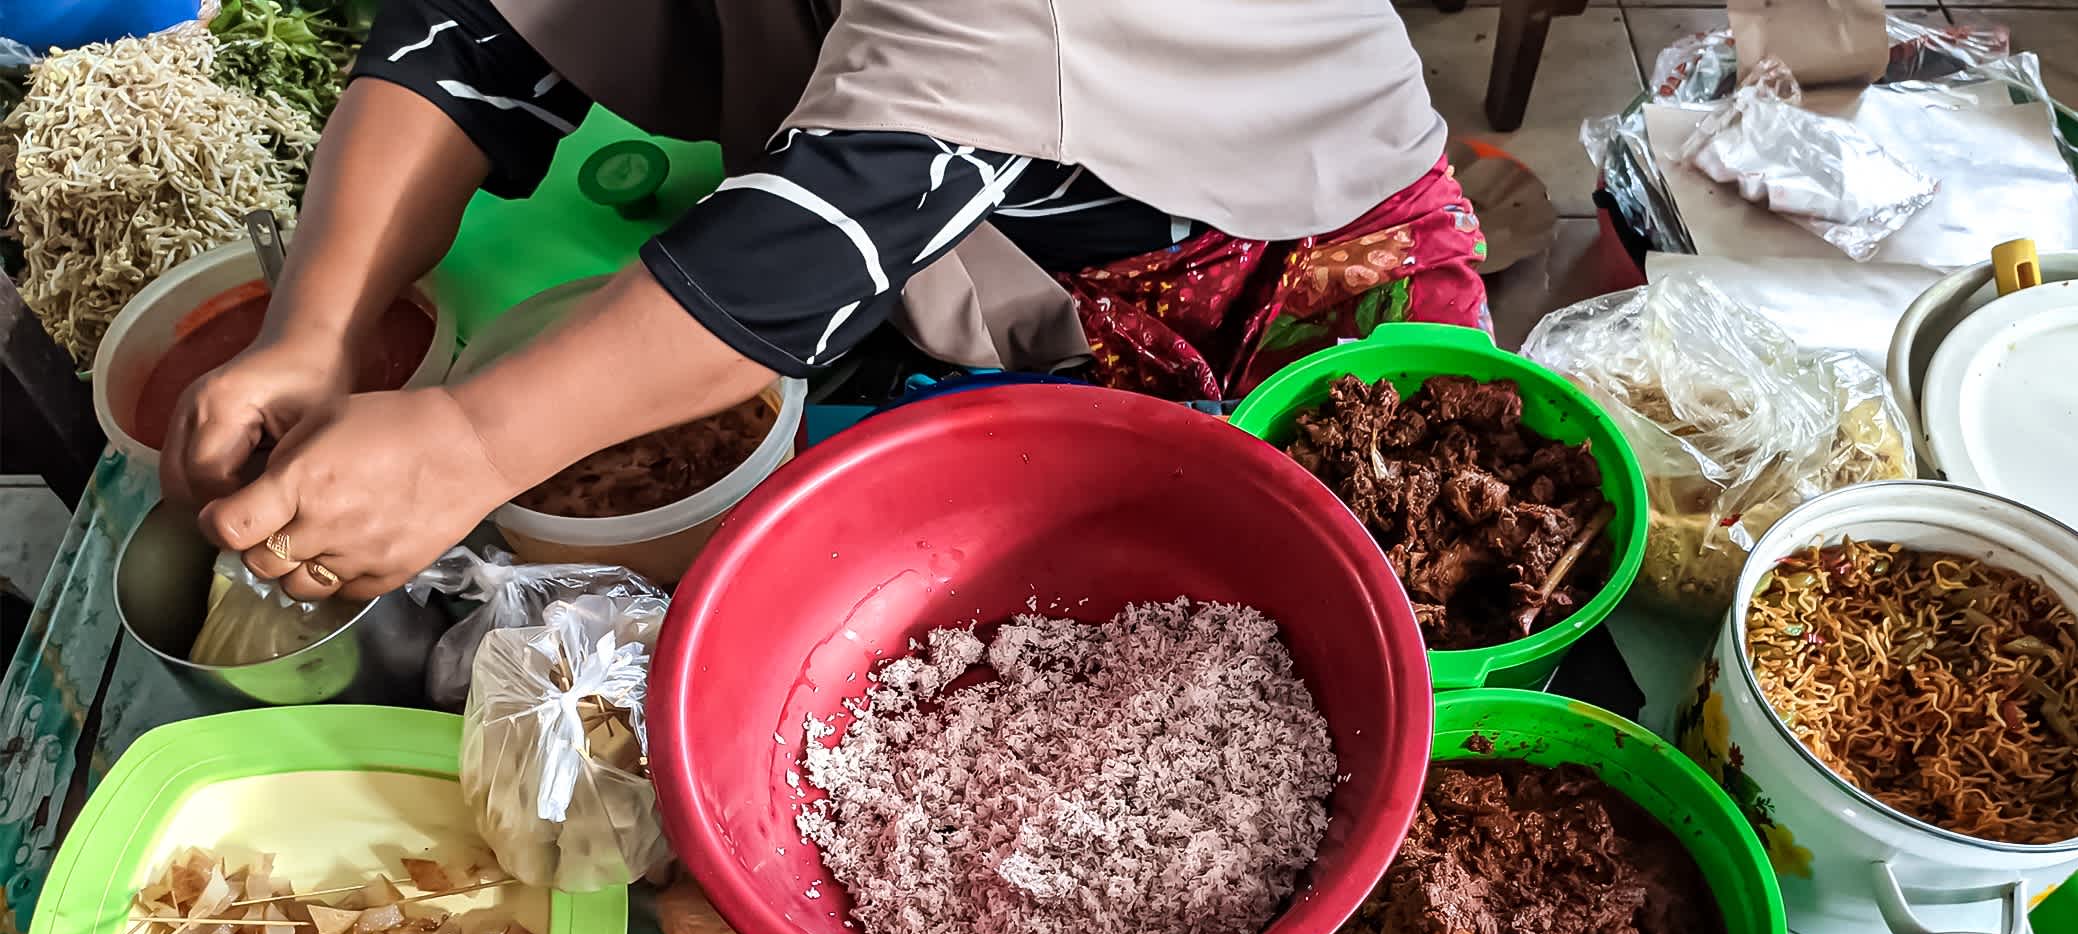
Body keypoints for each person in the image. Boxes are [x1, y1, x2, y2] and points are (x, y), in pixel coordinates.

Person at [162, 0, 1489, 600]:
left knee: (1355, 594)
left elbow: (811, 240)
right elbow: (469, 34)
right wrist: (317, 329)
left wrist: (467, 448)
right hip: (1018, 230)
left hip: (1288, 253)